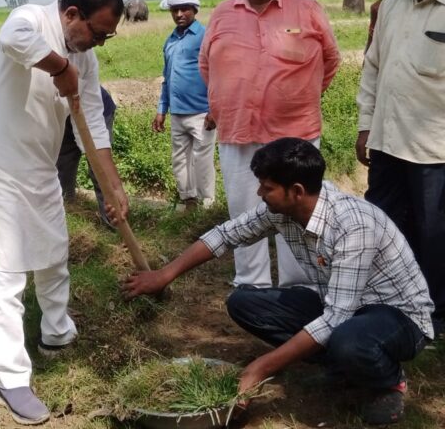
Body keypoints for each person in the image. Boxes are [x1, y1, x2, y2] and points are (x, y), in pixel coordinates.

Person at [124, 138, 433, 426]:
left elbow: (336, 318)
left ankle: (388, 381)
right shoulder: (282, 210)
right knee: (244, 303)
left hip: (398, 316)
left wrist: (260, 367)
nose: (260, 193)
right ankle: (343, 368)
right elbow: (225, 235)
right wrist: (164, 275)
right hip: (340, 304)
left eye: (267, 187)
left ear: (296, 190)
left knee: (348, 340)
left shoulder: (353, 225)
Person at [0, 0, 129, 425]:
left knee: (52, 253)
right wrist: (60, 68)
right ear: (71, 14)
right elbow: (13, 40)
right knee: (7, 272)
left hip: (40, 166)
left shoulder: (84, 58)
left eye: (107, 37)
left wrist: (113, 186)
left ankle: (56, 332)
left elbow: (92, 123)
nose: (99, 43)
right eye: (98, 32)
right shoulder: (28, 19)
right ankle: (11, 378)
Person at [200, 0, 340, 289]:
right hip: (237, 129)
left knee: (297, 206)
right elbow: (206, 65)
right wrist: (225, 98)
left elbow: (331, 60)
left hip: (294, 131)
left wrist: (298, 96)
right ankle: (252, 282)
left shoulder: (306, 8)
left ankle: (300, 285)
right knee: (245, 209)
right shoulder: (223, 13)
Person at [356, 0, 445, 335]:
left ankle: (436, 316)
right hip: (388, 142)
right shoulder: (391, 6)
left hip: (434, 150)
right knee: (384, 227)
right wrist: (364, 126)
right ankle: (393, 303)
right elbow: (373, 69)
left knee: (435, 235)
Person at [152, 0, 215, 210]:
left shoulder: (205, 36)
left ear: (194, 10)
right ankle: (188, 200)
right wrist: (162, 110)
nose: (179, 14)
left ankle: (208, 204)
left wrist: (214, 109)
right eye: (175, 10)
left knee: (202, 160)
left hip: (202, 112)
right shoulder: (170, 41)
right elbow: (167, 78)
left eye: (184, 9)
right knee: (179, 159)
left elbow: (217, 74)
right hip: (177, 112)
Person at [56, 86, 116, 229]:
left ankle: (113, 224)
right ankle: (65, 216)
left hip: (95, 113)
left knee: (99, 170)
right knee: (63, 165)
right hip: (63, 116)